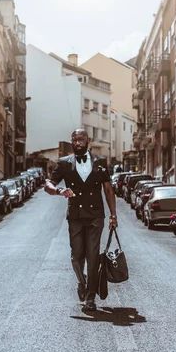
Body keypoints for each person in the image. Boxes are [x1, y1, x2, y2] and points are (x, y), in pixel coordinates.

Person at [45, 129, 118, 311]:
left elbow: (108, 190)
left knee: (93, 256)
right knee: (77, 255)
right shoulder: (63, 163)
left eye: (81, 139)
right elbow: (48, 185)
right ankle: (81, 281)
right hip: (76, 216)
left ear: (88, 140)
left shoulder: (100, 162)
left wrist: (113, 215)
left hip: (95, 216)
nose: (78, 143)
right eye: (75, 140)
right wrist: (59, 190)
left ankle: (90, 297)